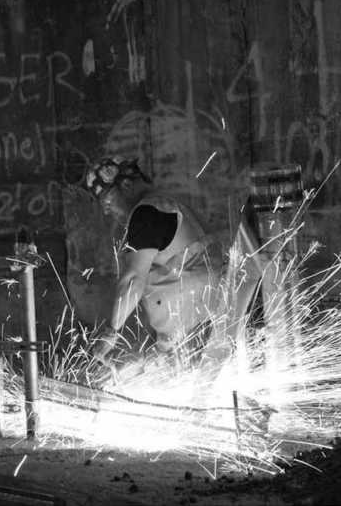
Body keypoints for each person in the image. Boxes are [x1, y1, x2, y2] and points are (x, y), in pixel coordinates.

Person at [86, 155, 264, 378]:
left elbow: (133, 280)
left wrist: (110, 333)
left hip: (202, 334)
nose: (107, 211)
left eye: (108, 202)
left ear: (127, 185)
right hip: (201, 329)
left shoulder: (147, 214)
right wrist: (159, 352)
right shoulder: (166, 206)